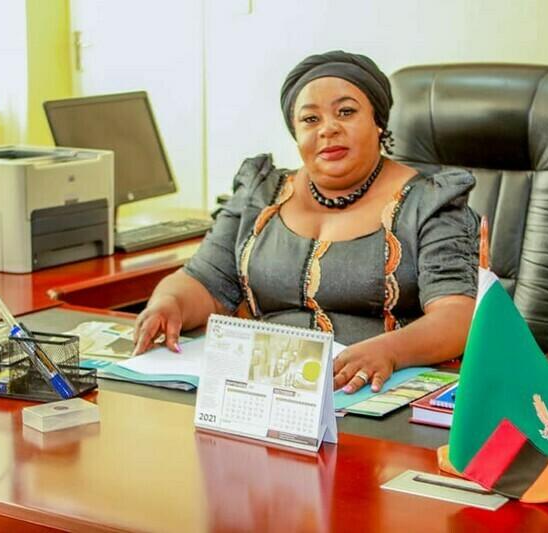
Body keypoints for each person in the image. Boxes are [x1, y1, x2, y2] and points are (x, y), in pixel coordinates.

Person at [133, 50, 479, 394]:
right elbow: (204, 282)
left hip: (376, 390)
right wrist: (169, 304)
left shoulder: (430, 201)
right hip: (267, 391)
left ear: (378, 121)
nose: (328, 129)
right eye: (310, 119)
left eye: (346, 112)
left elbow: (457, 315)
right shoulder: (261, 193)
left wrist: (389, 351)